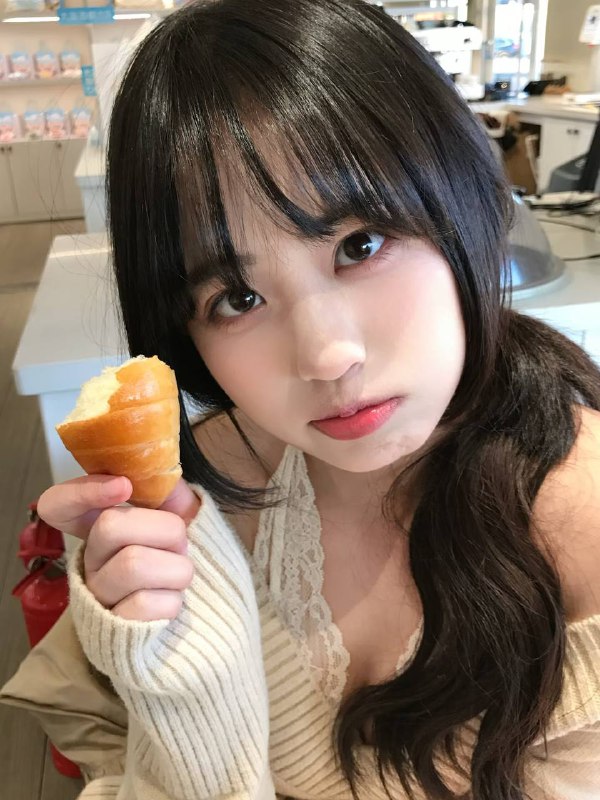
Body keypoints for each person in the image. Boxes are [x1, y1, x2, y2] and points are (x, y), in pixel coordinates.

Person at [18, 0, 600, 798]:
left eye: (361, 245)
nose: (328, 355)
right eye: (236, 298)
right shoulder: (203, 500)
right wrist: (173, 680)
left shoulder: (584, 528)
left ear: (463, 200)